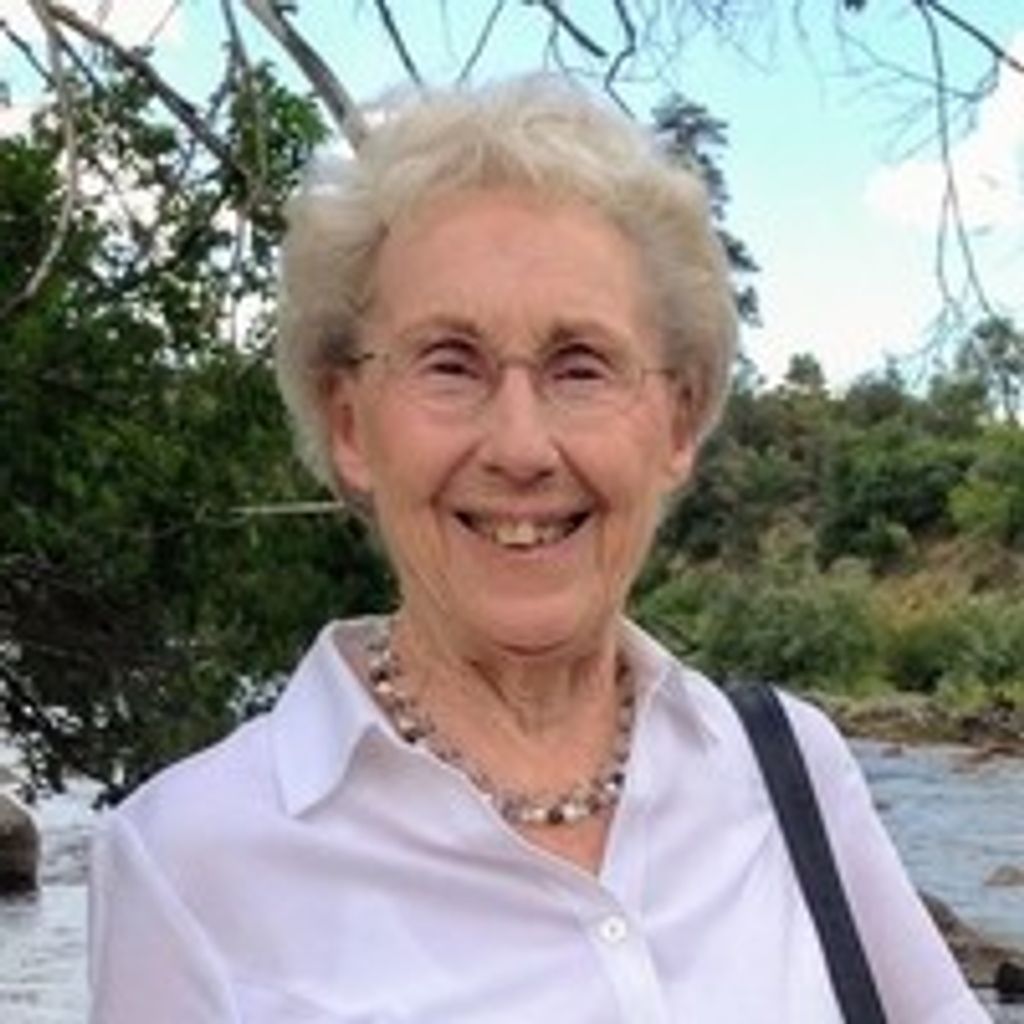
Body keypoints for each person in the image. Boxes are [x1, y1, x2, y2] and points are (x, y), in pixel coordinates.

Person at [88, 76, 986, 1023]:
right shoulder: (187, 864)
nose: (520, 447)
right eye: (449, 363)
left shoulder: (791, 769)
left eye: (581, 367)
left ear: (678, 421)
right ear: (349, 422)